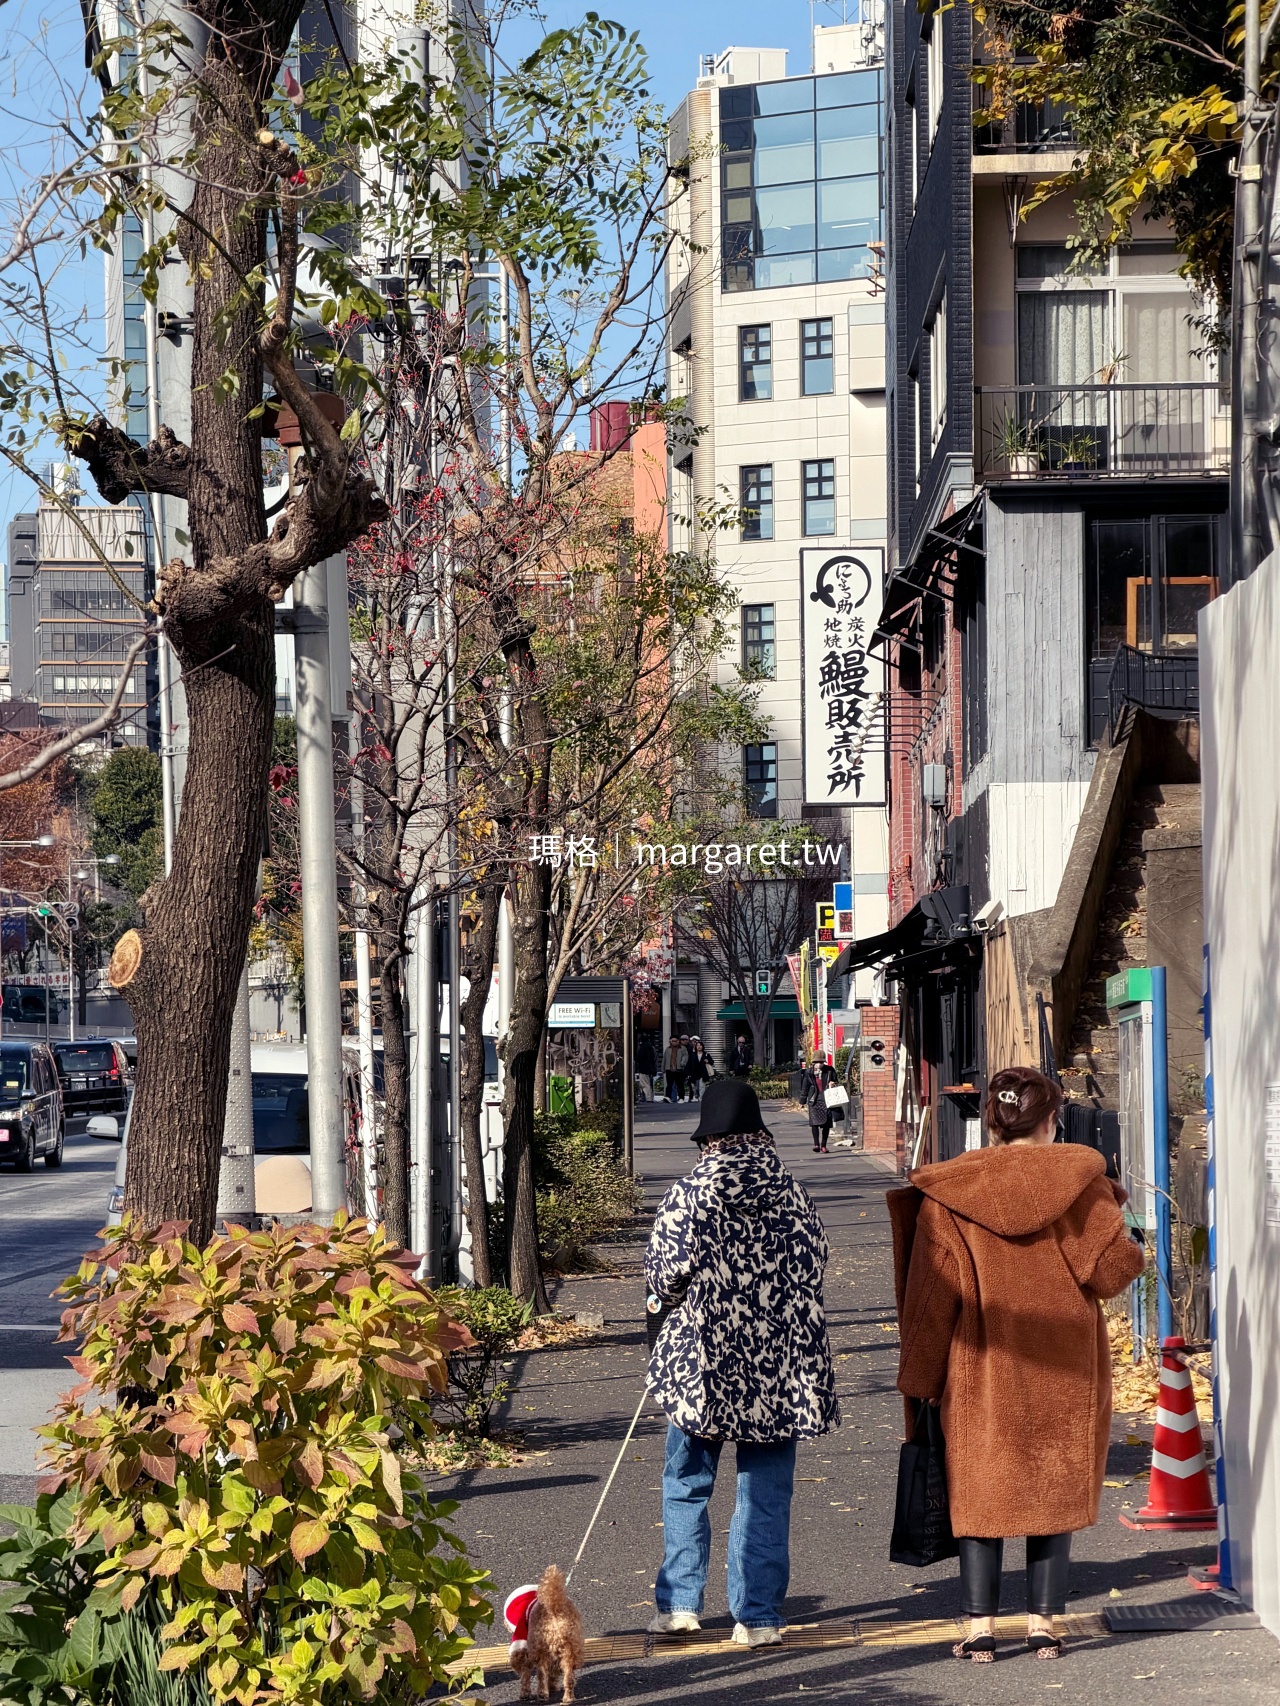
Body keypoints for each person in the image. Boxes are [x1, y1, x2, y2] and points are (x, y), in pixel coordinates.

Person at [891, 1066, 1146, 1663]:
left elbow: (932, 1300)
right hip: (1066, 1364)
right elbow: (1111, 1274)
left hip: (983, 1365)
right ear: (1052, 1118)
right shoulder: (1083, 1185)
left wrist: (924, 1381)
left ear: (991, 1122)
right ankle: (1044, 1624)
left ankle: (979, 1626)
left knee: (980, 1487)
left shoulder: (951, 1193)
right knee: (1051, 1486)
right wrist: (1124, 1231)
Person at [644, 1080, 839, 1648]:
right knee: (766, 1494)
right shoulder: (791, 1191)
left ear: (709, 1137)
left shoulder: (690, 1192)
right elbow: (815, 1263)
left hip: (700, 1367)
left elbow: (664, 1277)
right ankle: (756, 1617)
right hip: (780, 1370)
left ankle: (681, 1605)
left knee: (686, 1481)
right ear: (759, 1133)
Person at [798, 1060, 834, 1153]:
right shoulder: (809, 1072)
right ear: (814, 1063)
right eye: (817, 1062)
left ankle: (824, 1145)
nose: (820, 1064)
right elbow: (805, 1087)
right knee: (814, 1123)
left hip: (827, 1099)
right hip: (814, 1100)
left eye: (822, 1062)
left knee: (826, 1124)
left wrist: (832, 1083)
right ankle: (816, 1144)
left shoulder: (830, 1070)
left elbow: (836, 1080)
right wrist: (802, 1101)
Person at [665, 1034, 688, 1105]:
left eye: (675, 1041)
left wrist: (682, 1063)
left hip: (679, 1069)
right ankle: (668, 1096)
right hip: (669, 1068)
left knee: (680, 1084)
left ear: (678, 1041)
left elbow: (685, 1056)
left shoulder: (683, 1048)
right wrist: (663, 1068)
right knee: (669, 1084)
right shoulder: (668, 1049)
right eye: (672, 1041)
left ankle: (681, 1097)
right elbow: (664, 1059)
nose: (673, 1042)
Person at [686, 1037, 709, 1102]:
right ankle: (695, 1096)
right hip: (694, 1072)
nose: (699, 1047)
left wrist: (708, 1061)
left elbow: (711, 1061)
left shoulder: (706, 1054)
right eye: (697, 1045)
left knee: (702, 1086)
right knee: (694, 1086)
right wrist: (688, 1072)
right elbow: (689, 1064)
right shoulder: (692, 1055)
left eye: (700, 1045)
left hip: (702, 1072)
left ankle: (701, 1097)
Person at [635, 1036, 657, 1103]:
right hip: (649, 1068)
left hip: (643, 1068)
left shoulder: (643, 1048)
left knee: (644, 1084)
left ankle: (648, 1098)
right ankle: (649, 1097)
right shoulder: (651, 1047)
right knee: (648, 1083)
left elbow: (639, 1057)